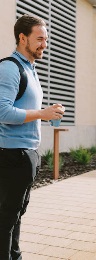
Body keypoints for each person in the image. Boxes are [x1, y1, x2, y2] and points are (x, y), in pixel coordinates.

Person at [0, 14, 65, 260]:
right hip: (12, 155)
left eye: (45, 40)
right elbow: (2, 111)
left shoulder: (30, 68)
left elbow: (25, 109)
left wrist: (49, 112)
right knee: (7, 216)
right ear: (22, 37)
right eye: (39, 39)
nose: (44, 45)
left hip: (27, 153)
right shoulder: (9, 67)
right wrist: (42, 113)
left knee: (16, 213)